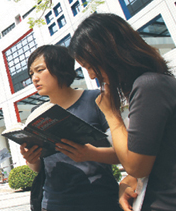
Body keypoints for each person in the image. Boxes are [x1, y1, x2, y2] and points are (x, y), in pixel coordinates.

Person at [68, 12, 176, 211]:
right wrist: (129, 179)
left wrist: (112, 114)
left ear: (111, 54)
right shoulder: (152, 84)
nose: (92, 75)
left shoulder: (149, 86)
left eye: (91, 66)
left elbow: (137, 165)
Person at [20, 45, 122, 211]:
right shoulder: (36, 113)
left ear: (60, 67)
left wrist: (91, 154)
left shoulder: (96, 100)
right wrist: (32, 160)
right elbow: (40, 167)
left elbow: (123, 154)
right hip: (53, 203)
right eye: (31, 74)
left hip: (99, 200)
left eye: (40, 70)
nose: (34, 78)